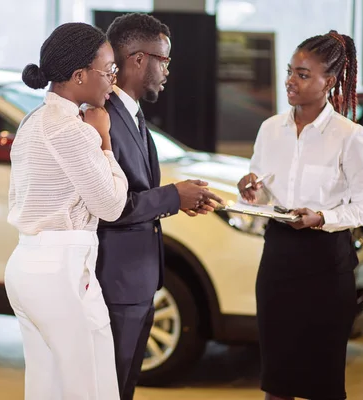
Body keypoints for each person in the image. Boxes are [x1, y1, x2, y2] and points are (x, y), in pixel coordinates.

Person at [237, 30, 363, 400]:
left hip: (326, 265)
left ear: (328, 82)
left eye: (302, 74)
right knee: (276, 378)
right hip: (278, 261)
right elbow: (260, 189)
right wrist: (251, 189)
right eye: (290, 71)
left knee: (322, 382)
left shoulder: (349, 135)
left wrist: (322, 217)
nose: (290, 81)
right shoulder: (270, 130)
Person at [96, 13, 224, 400]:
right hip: (115, 281)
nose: (168, 70)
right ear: (137, 59)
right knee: (109, 388)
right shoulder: (104, 119)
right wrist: (172, 196)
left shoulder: (132, 115)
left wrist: (180, 200)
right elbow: (111, 205)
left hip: (139, 280)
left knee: (124, 387)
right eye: (164, 60)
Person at [5, 22, 128, 400]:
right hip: (58, 270)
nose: (113, 81)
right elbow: (111, 206)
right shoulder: (69, 130)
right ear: (79, 76)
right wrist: (105, 139)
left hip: (34, 264)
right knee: (84, 387)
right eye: (109, 71)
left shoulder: (35, 120)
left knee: (49, 385)